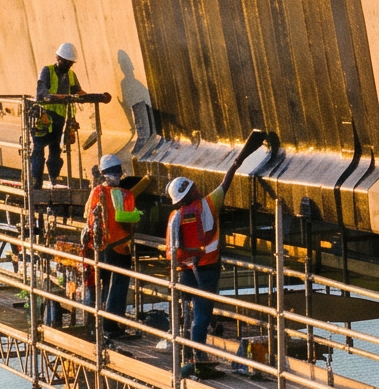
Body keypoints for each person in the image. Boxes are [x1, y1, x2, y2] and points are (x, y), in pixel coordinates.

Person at [164, 131, 268, 372]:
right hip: (207, 268)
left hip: (184, 270)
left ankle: (188, 352)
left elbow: (170, 251)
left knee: (188, 314)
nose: (197, 188)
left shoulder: (175, 217)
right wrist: (238, 160)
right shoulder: (208, 205)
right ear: (189, 192)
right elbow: (227, 181)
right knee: (202, 312)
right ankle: (197, 355)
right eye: (193, 187)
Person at [82, 153, 144, 336]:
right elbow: (129, 218)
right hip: (119, 247)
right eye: (115, 172)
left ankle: (96, 324)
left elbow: (88, 215)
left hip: (100, 247)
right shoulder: (125, 194)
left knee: (102, 286)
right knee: (117, 286)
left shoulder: (96, 192)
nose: (117, 175)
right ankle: (111, 325)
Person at [30, 42, 84, 189]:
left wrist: (85, 96)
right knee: (38, 151)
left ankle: (53, 179)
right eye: (66, 62)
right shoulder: (47, 71)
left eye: (70, 63)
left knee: (55, 152)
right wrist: (59, 97)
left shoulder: (71, 75)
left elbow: (77, 90)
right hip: (45, 118)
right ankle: (36, 183)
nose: (68, 66)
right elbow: (41, 93)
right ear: (58, 58)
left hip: (60, 119)